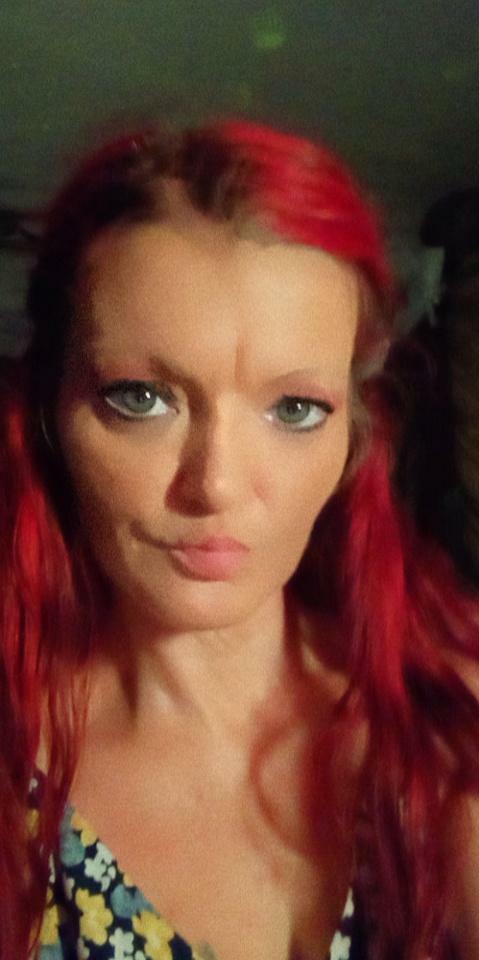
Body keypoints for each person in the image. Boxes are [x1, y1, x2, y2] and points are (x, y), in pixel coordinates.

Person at [2, 119, 479, 960]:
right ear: (49, 411)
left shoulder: (442, 720)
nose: (215, 486)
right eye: (141, 398)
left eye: (293, 409)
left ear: (353, 435)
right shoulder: (17, 761)